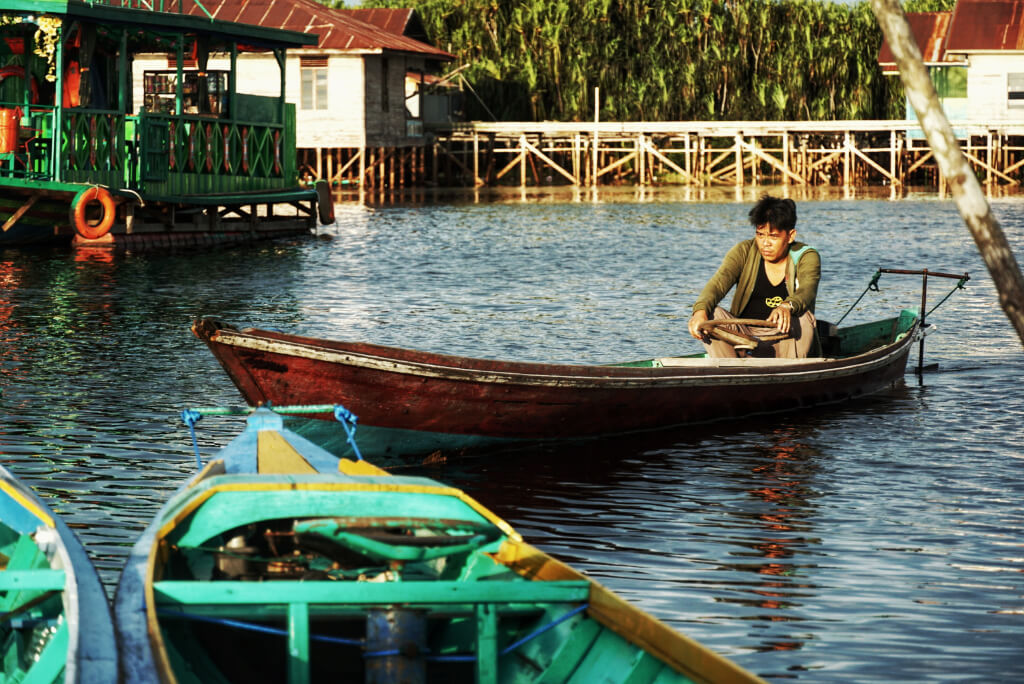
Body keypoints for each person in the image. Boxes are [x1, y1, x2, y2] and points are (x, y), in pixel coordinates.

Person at [687, 196, 820, 358]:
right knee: (711, 315)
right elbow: (717, 284)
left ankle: (791, 373)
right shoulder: (744, 251)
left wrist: (787, 306)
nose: (765, 243)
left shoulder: (806, 256)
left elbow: (807, 290)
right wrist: (700, 311)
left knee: (803, 316)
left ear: (790, 236)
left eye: (773, 236)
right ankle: (730, 371)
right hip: (745, 338)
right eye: (760, 235)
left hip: (785, 338)